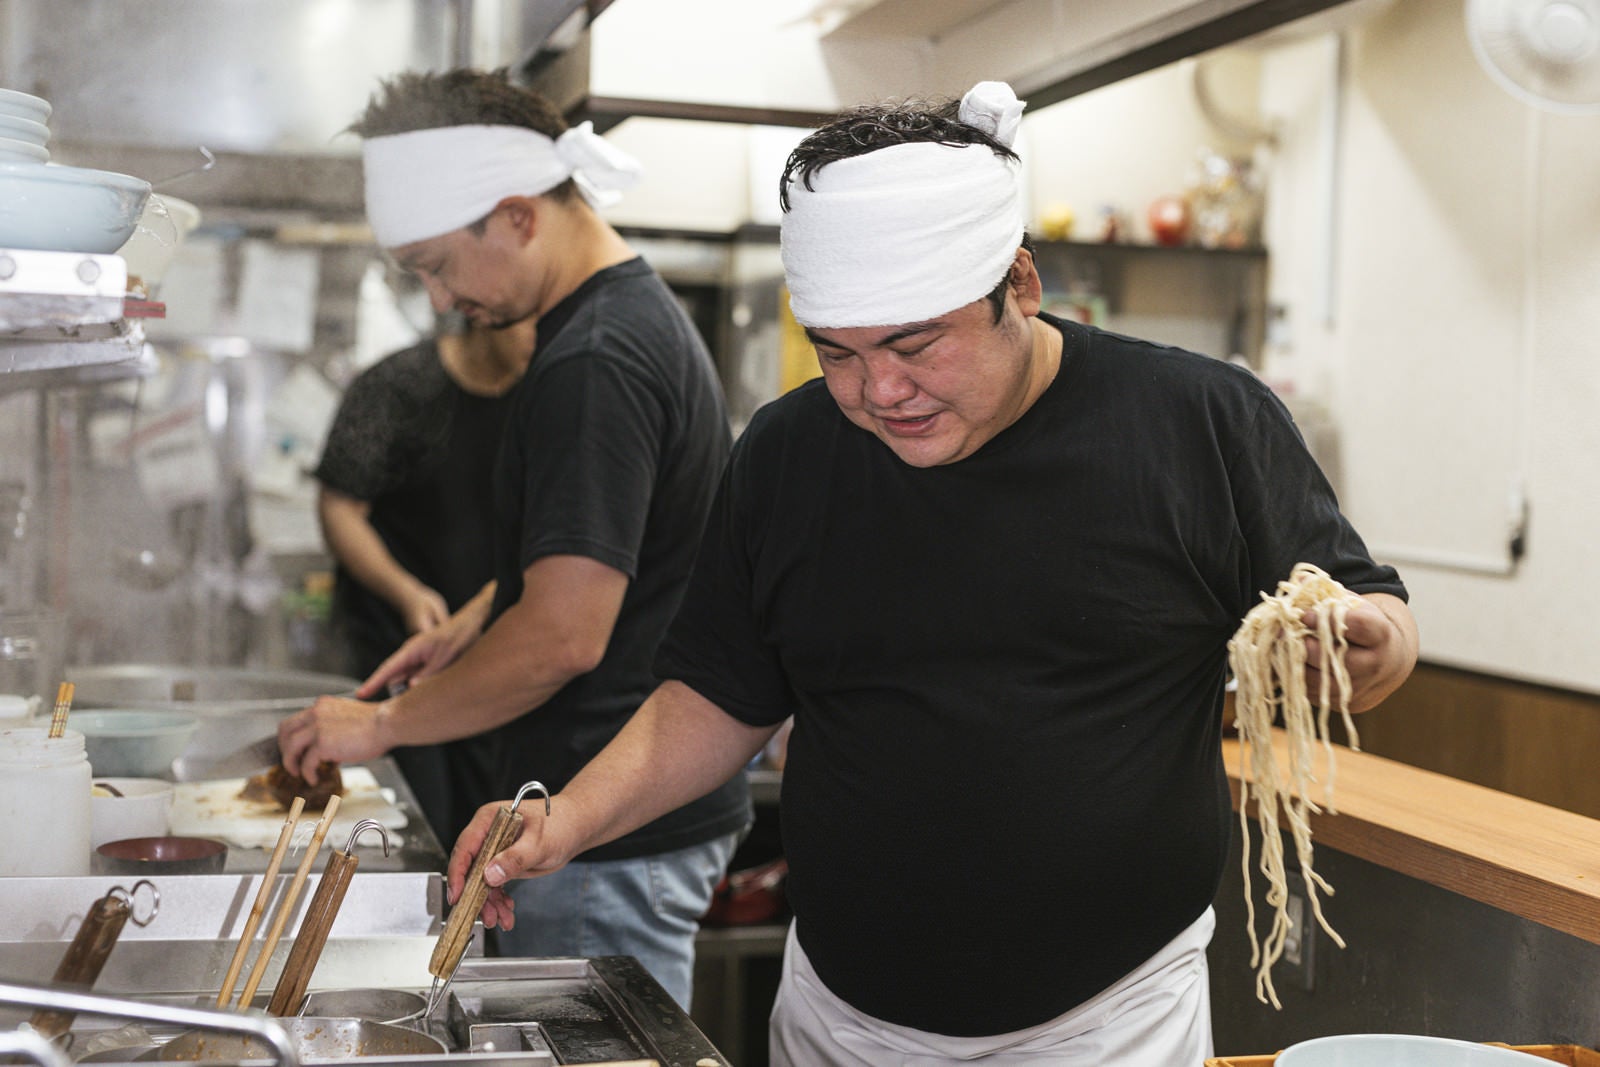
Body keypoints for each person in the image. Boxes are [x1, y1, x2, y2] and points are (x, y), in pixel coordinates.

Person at [445, 82, 1420, 1065]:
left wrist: (1366, 645)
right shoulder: (789, 453)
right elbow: (716, 693)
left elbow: (1364, 611)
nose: (880, 391)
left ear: (1020, 285)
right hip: (845, 1018)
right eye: (840, 353)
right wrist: (563, 815)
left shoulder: (1196, 420)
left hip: (1107, 1020)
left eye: (916, 345)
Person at [276, 68, 751, 1009]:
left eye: (437, 264)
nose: (442, 301)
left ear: (517, 215)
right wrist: (480, 618)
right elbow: (619, 545)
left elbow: (566, 637)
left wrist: (378, 725)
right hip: (611, 820)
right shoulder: (617, 324)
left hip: (599, 833)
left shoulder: (595, 361)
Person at [313, 310, 536, 847]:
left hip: (504, 654)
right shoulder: (399, 386)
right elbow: (340, 507)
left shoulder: (549, 394)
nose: (539, 339)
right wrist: (406, 592)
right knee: (413, 829)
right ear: (485, 312)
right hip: (397, 653)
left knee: (494, 831)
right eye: (528, 323)